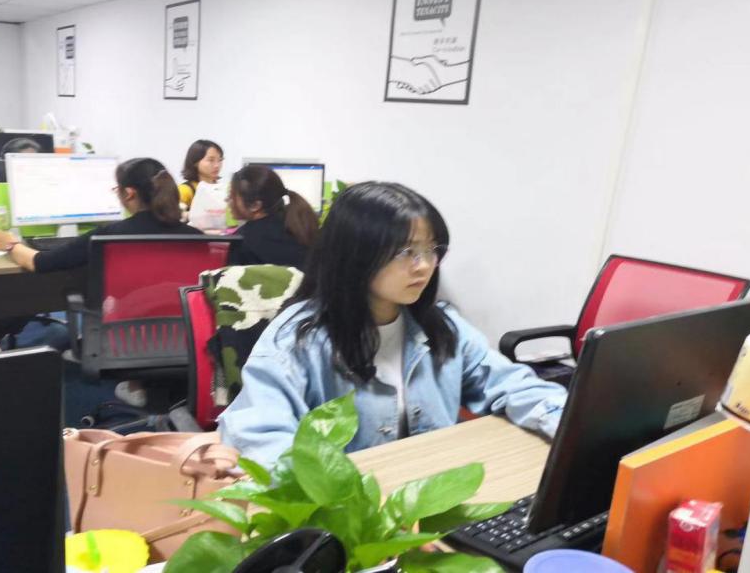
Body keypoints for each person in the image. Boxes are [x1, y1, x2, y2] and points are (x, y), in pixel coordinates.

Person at [218, 182, 568, 466]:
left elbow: (514, 385)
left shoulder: (441, 325)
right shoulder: (296, 339)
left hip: (430, 494)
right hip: (350, 513)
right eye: (406, 252)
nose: (424, 266)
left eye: (431, 250)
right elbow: (260, 438)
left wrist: (570, 427)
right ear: (356, 254)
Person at [0, 157, 202, 272]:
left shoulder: (107, 237)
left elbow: (38, 262)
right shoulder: (198, 238)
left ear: (129, 193)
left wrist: (10, 244)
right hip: (185, 336)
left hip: (119, 337)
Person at [227, 165, 318, 268]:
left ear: (255, 206)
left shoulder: (242, 240)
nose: (227, 200)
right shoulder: (299, 224)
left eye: (231, 196)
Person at [178, 139, 224, 210]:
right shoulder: (185, 190)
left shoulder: (223, 189)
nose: (217, 165)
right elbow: (172, 212)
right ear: (195, 162)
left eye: (220, 160)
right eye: (211, 160)